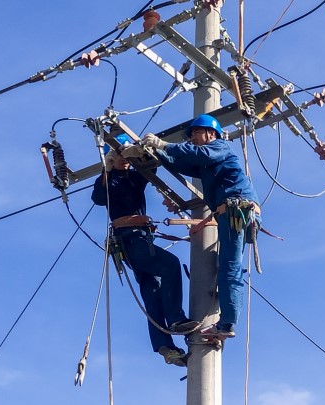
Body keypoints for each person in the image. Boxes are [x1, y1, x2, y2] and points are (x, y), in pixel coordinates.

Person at [138, 114, 261, 339]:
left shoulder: (219, 147)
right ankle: (226, 321)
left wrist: (163, 144)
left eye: (195, 132)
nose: (192, 137)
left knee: (230, 267)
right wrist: (158, 152)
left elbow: (196, 154)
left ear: (210, 133)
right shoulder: (208, 162)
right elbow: (182, 163)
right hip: (231, 213)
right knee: (227, 265)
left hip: (237, 211)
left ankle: (226, 325)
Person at [91, 134, 199, 367]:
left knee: (152, 288)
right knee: (169, 265)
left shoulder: (134, 177)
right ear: (112, 157)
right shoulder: (108, 180)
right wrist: (107, 169)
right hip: (129, 240)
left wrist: (146, 149)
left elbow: (152, 166)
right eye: (119, 155)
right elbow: (98, 198)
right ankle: (176, 319)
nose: (123, 160)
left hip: (141, 237)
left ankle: (165, 346)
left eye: (125, 155)